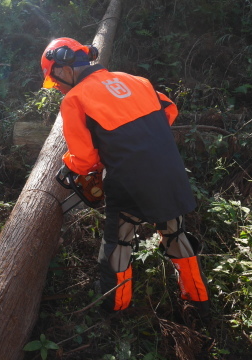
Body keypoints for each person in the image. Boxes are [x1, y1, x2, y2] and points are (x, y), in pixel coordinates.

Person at [41, 37, 210, 319]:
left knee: (119, 241)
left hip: (131, 182)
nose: (55, 86)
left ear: (63, 66)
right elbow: (169, 109)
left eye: (54, 78)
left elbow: (83, 160)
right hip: (169, 170)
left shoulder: (75, 99)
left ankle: (114, 307)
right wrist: (139, 140)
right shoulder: (136, 80)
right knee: (175, 232)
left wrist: (71, 164)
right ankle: (198, 302)